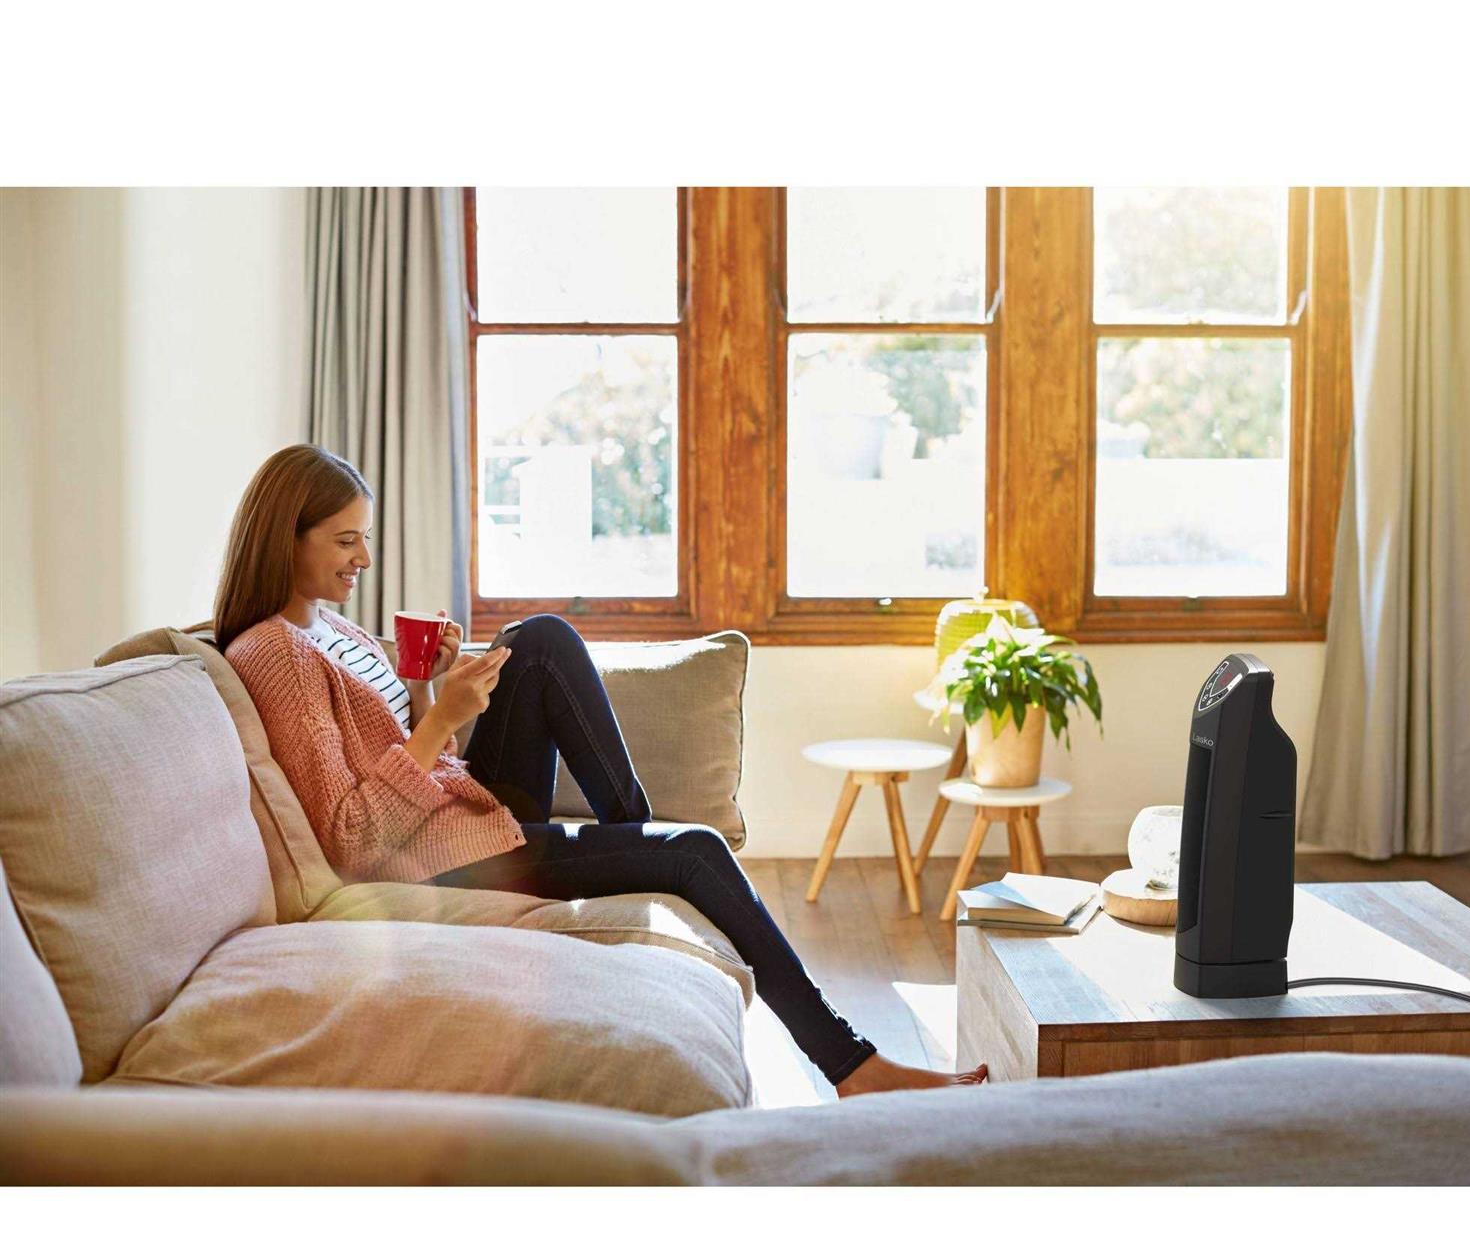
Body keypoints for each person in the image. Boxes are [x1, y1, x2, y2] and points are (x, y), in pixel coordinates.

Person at [217, 445, 987, 1097]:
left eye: (365, 538)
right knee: (696, 851)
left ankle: (633, 837)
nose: (364, 558)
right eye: (346, 541)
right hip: (433, 861)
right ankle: (853, 1065)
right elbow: (353, 837)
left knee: (540, 641)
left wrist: (428, 688)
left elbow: (410, 755)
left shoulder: (334, 628)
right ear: (288, 539)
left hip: (456, 813)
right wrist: (446, 719)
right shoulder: (275, 653)